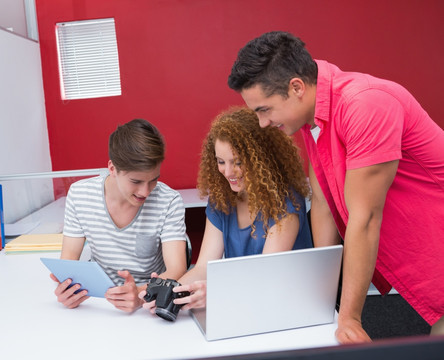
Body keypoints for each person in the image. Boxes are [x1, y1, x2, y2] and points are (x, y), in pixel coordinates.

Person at [227, 31, 444, 343]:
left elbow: (365, 218)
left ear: (296, 88)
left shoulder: (365, 105)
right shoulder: (311, 117)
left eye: (264, 109)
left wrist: (350, 319)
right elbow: (325, 202)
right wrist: (323, 297)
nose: (262, 123)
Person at [142, 107, 312, 312]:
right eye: (221, 162)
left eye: (238, 162)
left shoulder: (286, 202)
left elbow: (265, 275)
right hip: (241, 302)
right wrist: (171, 291)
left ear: (262, 160)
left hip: (285, 303)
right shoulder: (222, 200)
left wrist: (214, 292)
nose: (228, 172)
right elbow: (204, 267)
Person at [50, 119, 188, 313]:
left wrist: (140, 294)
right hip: (97, 303)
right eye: (136, 181)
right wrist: (68, 290)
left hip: (148, 301)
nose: (146, 191)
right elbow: (69, 259)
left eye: (154, 180)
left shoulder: (169, 201)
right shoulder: (79, 194)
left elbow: (177, 269)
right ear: (112, 169)